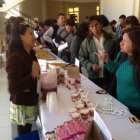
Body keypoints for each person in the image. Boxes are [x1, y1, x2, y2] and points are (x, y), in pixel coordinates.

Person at [98, 26, 140, 119]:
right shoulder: (123, 54)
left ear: (136, 44)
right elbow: (115, 70)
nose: (120, 43)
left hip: (136, 112)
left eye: (125, 41)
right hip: (120, 105)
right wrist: (107, 60)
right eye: (122, 39)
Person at [6, 22, 40, 136]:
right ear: (21, 36)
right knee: (24, 135)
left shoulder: (29, 53)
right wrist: (32, 76)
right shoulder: (15, 57)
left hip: (29, 101)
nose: (34, 37)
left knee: (28, 131)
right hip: (22, 105)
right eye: (31, 34)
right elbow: (13, 88)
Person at [78, 15, 116, 88]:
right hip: (94, 75)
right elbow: (82, 57)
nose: (95, 28)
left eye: (97, 25)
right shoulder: (87, 41)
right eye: (92, 26)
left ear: (101, 24)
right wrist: (91, 66)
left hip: (110, 73)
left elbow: (117, 55)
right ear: (89, 28)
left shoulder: (112, 38)